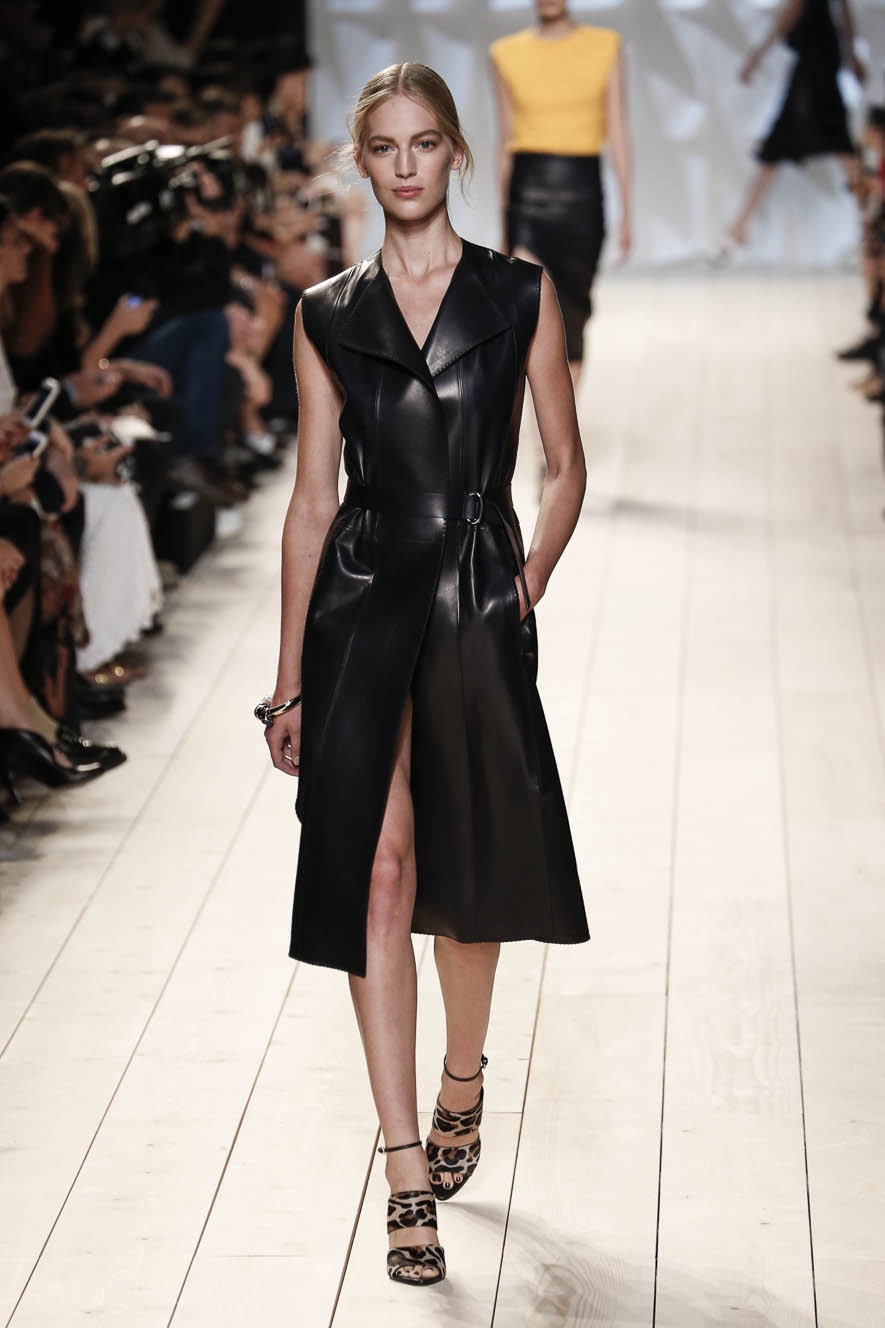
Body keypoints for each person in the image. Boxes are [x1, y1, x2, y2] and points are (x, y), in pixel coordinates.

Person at [260, 63, 589, 1287]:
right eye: (385, 146)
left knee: (469, 875)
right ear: (362, 162)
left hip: (474, 588)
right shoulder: (324, 312)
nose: (406, 165)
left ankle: (463, 1074)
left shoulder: (518, 291)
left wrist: (528, 575)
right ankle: (404, 1166)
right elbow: (310, 500)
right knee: (380, 868)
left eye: (426, 143)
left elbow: (565, 461)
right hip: (361, 595)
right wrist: (288, 681)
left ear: (456, 151)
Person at [490, 0, 632, 383]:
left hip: (582, 197)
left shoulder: (605, 46)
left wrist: (627, 211)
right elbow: (505, 141)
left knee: (572, 317)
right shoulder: (506, 53)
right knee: (524, 311)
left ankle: (563, 418)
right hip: (526, 195)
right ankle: (531, 414)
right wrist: (504, 222)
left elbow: (618, 131)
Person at [724, 0, 864, 253]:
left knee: (792, 148)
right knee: (838, 148)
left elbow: (790, 17)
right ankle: (740, 225)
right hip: (821, 66)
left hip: (812, 74)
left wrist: (756, 57)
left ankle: (740, 225)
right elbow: (843, 17)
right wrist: (852, 56)